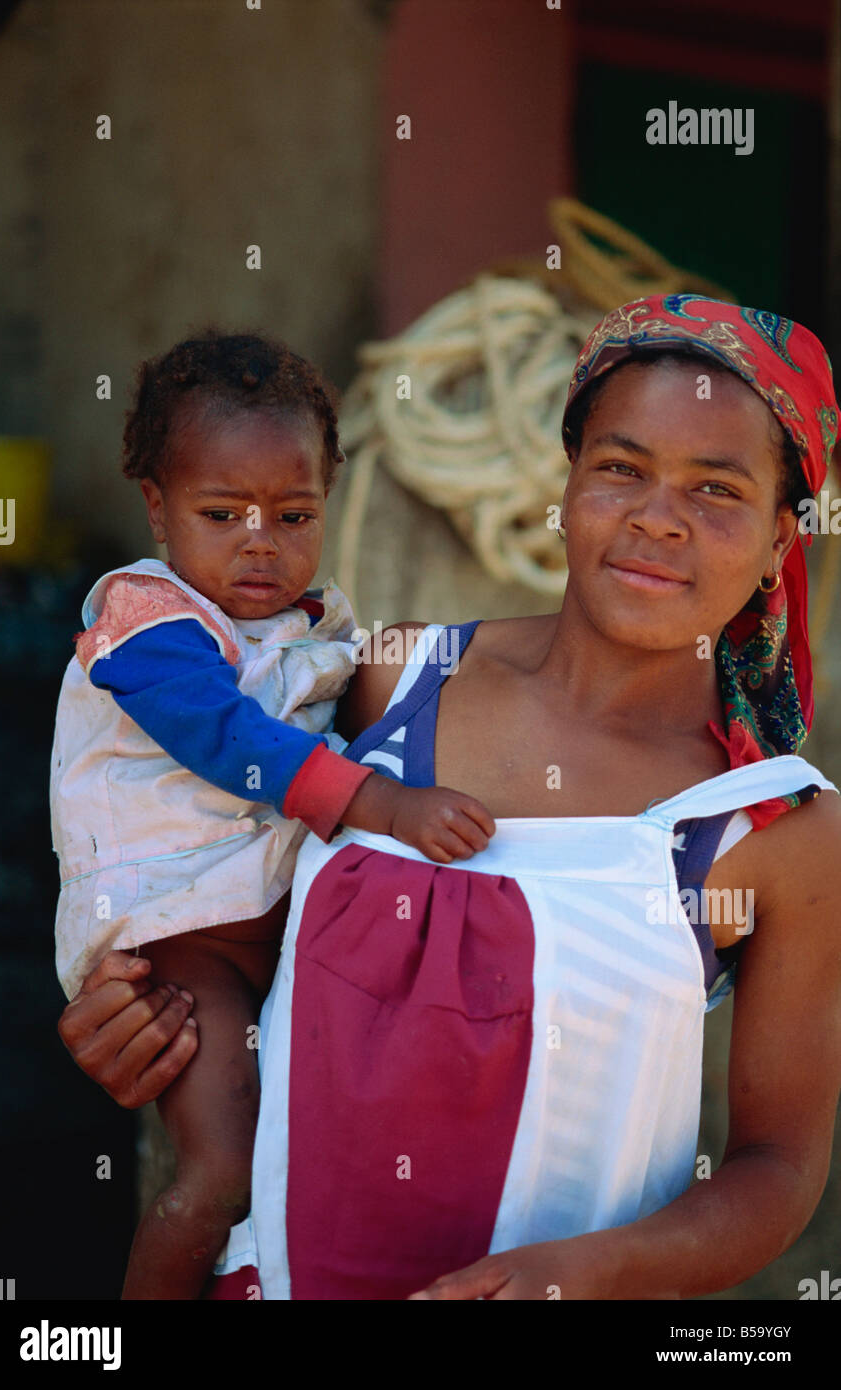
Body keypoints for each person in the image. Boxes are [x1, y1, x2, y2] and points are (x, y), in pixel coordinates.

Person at [58, 296, 841, 1300]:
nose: (656, 515)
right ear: (564, 486)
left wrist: (590, 1270)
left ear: (783, 535)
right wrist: (134, 1007)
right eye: (619, 468)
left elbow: (776, 1170)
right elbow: (221, 888)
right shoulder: (391, 678)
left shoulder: (772, 824)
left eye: (717, 488)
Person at [50, 328, 494, 1300]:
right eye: (223, 512)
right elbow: (223, 736)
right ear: (157, 509)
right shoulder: (144, 617)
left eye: (294, 513)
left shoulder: (317, 624)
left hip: (287, 934)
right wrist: (377, 802)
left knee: (322, 1168)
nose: (261, 539)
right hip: (180, 942)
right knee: (220, 1171)